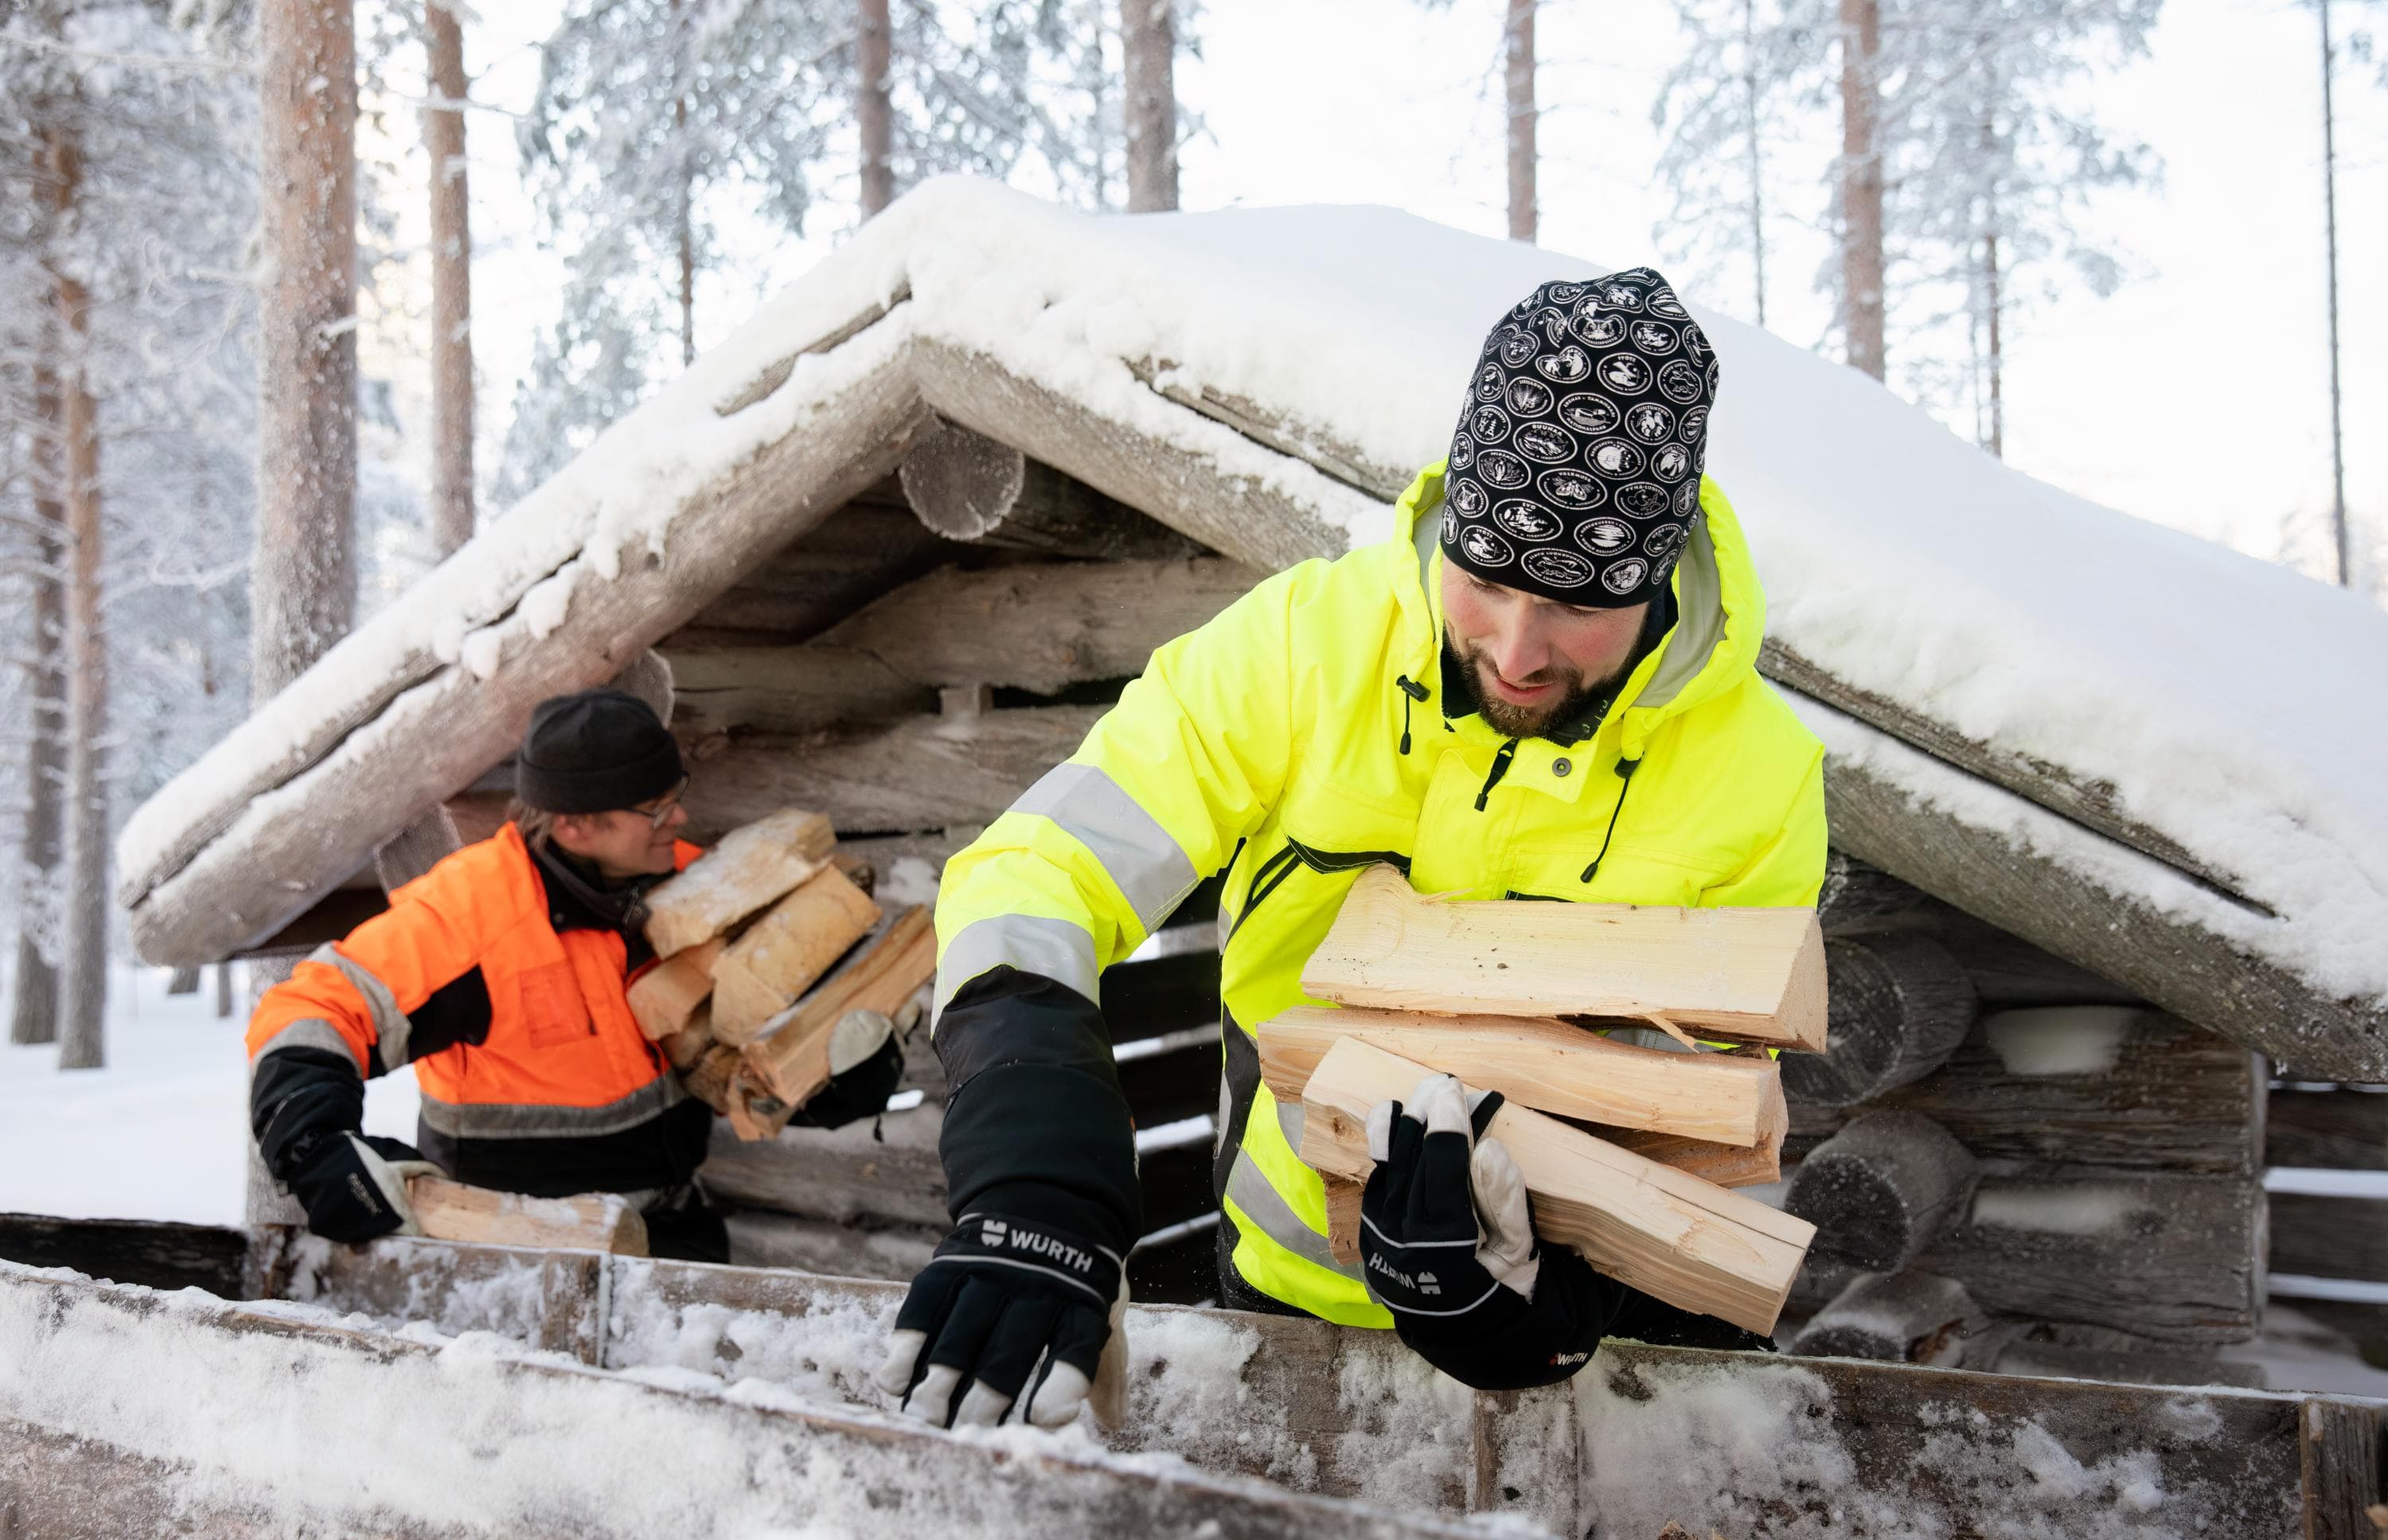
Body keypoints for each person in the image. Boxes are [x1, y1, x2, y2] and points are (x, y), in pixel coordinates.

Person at [873, 267, 1828, 1427]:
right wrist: (1036, 1162)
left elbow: (1718, 1128)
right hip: (1288, 1294)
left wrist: (1549, 1305)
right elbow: (1037, 868)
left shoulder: (1760, 778)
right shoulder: (1303, 649)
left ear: (1659, 573)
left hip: (1576, 1342)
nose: (1516, 651)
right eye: (1485, 580)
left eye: (1577, 604)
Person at [246, 687, 902, 1261]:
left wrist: (840, 1079)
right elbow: (311, 1008)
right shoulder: (472, 916)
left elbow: (749, 1066)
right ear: (574, 824)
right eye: (654, 809)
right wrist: (314, 1148)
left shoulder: (698, 890)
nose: (678, 819)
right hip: (508, 1255)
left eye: (675, 796)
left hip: (671, 1238)